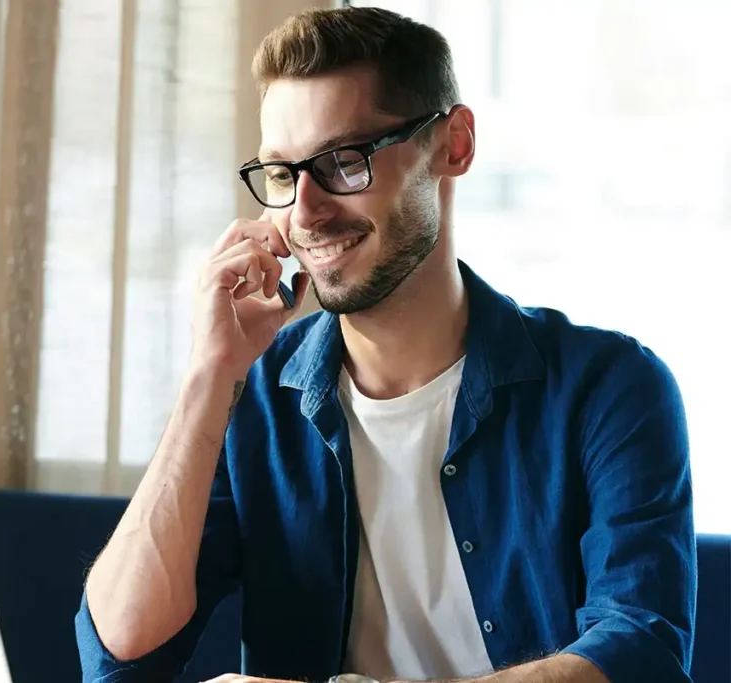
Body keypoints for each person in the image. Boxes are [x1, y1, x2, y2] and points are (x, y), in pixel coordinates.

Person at [75, 7, 696, 683]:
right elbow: (120, 655)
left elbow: (641, 651)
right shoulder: (252, 392)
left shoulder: (610, 387)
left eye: (344, 161)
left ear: (452, 145)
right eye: (283, 175)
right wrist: (207, 372)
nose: (305, 213)